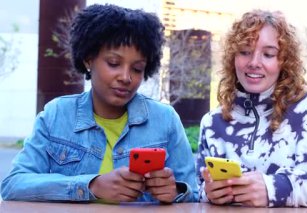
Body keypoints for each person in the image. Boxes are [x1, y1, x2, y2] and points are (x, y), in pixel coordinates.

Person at [1, 4, 198, 203]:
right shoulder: (57, 114)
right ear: (88, 60)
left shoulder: (165, 119)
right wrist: (91, 186)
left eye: (137, 68)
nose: (126, 77)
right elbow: (13, 184)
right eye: (113, 63)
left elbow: (194, 194)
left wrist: (176, 192)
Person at [196, 9, 307, 207]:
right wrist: (208, 193)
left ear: (284, 61)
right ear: (233, 57)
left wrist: (281, 188)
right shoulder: (213, 123)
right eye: (244, 52)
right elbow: (198, 193)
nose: (254, 63)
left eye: (268, 54)